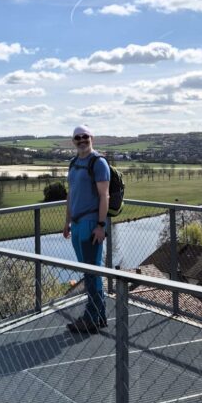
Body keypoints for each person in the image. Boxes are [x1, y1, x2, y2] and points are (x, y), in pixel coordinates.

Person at [63, 124, 110, 333]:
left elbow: (104, 196)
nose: (82, 140)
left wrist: (101, 226)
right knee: (89, 271)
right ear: (73, 141)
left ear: (92, 138)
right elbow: (71, 194)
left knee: (92, 273)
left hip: (92, 224)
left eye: (85, 137)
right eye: (77, 138)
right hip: (77, 224)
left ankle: (91, 318)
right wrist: (67, 222)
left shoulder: (98, 163)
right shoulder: (74, 163)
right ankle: (98, 316)